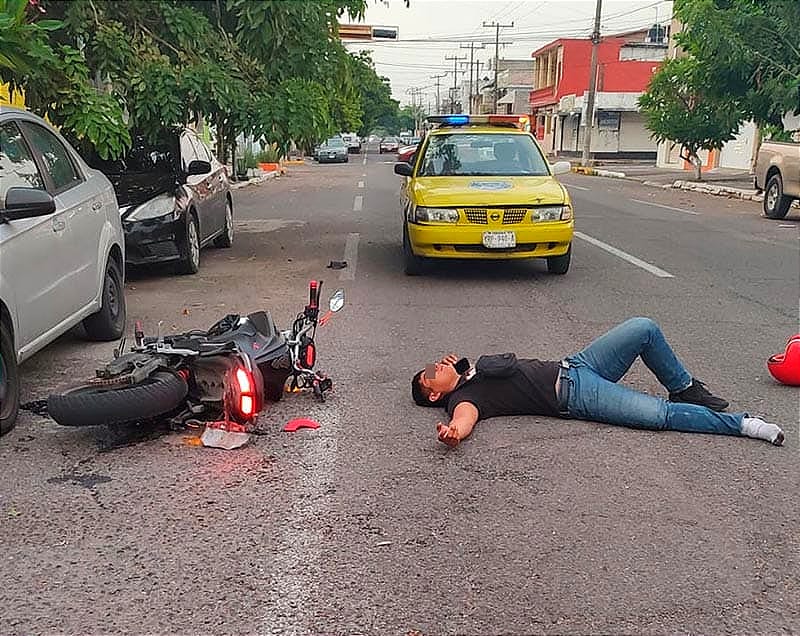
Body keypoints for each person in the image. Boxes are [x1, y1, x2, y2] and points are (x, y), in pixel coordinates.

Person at [411, 317, 785, 448]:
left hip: (577, 365)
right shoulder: (464, 398)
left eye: (436, 363)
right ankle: (743, 424)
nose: (437, 365)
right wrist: (454, 434)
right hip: (577, 396)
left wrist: (460, 366)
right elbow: (464, 420)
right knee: (659, 415)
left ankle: (685, 387)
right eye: (431, 372)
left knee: (643, 328)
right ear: (433, 394)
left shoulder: (472, 371)